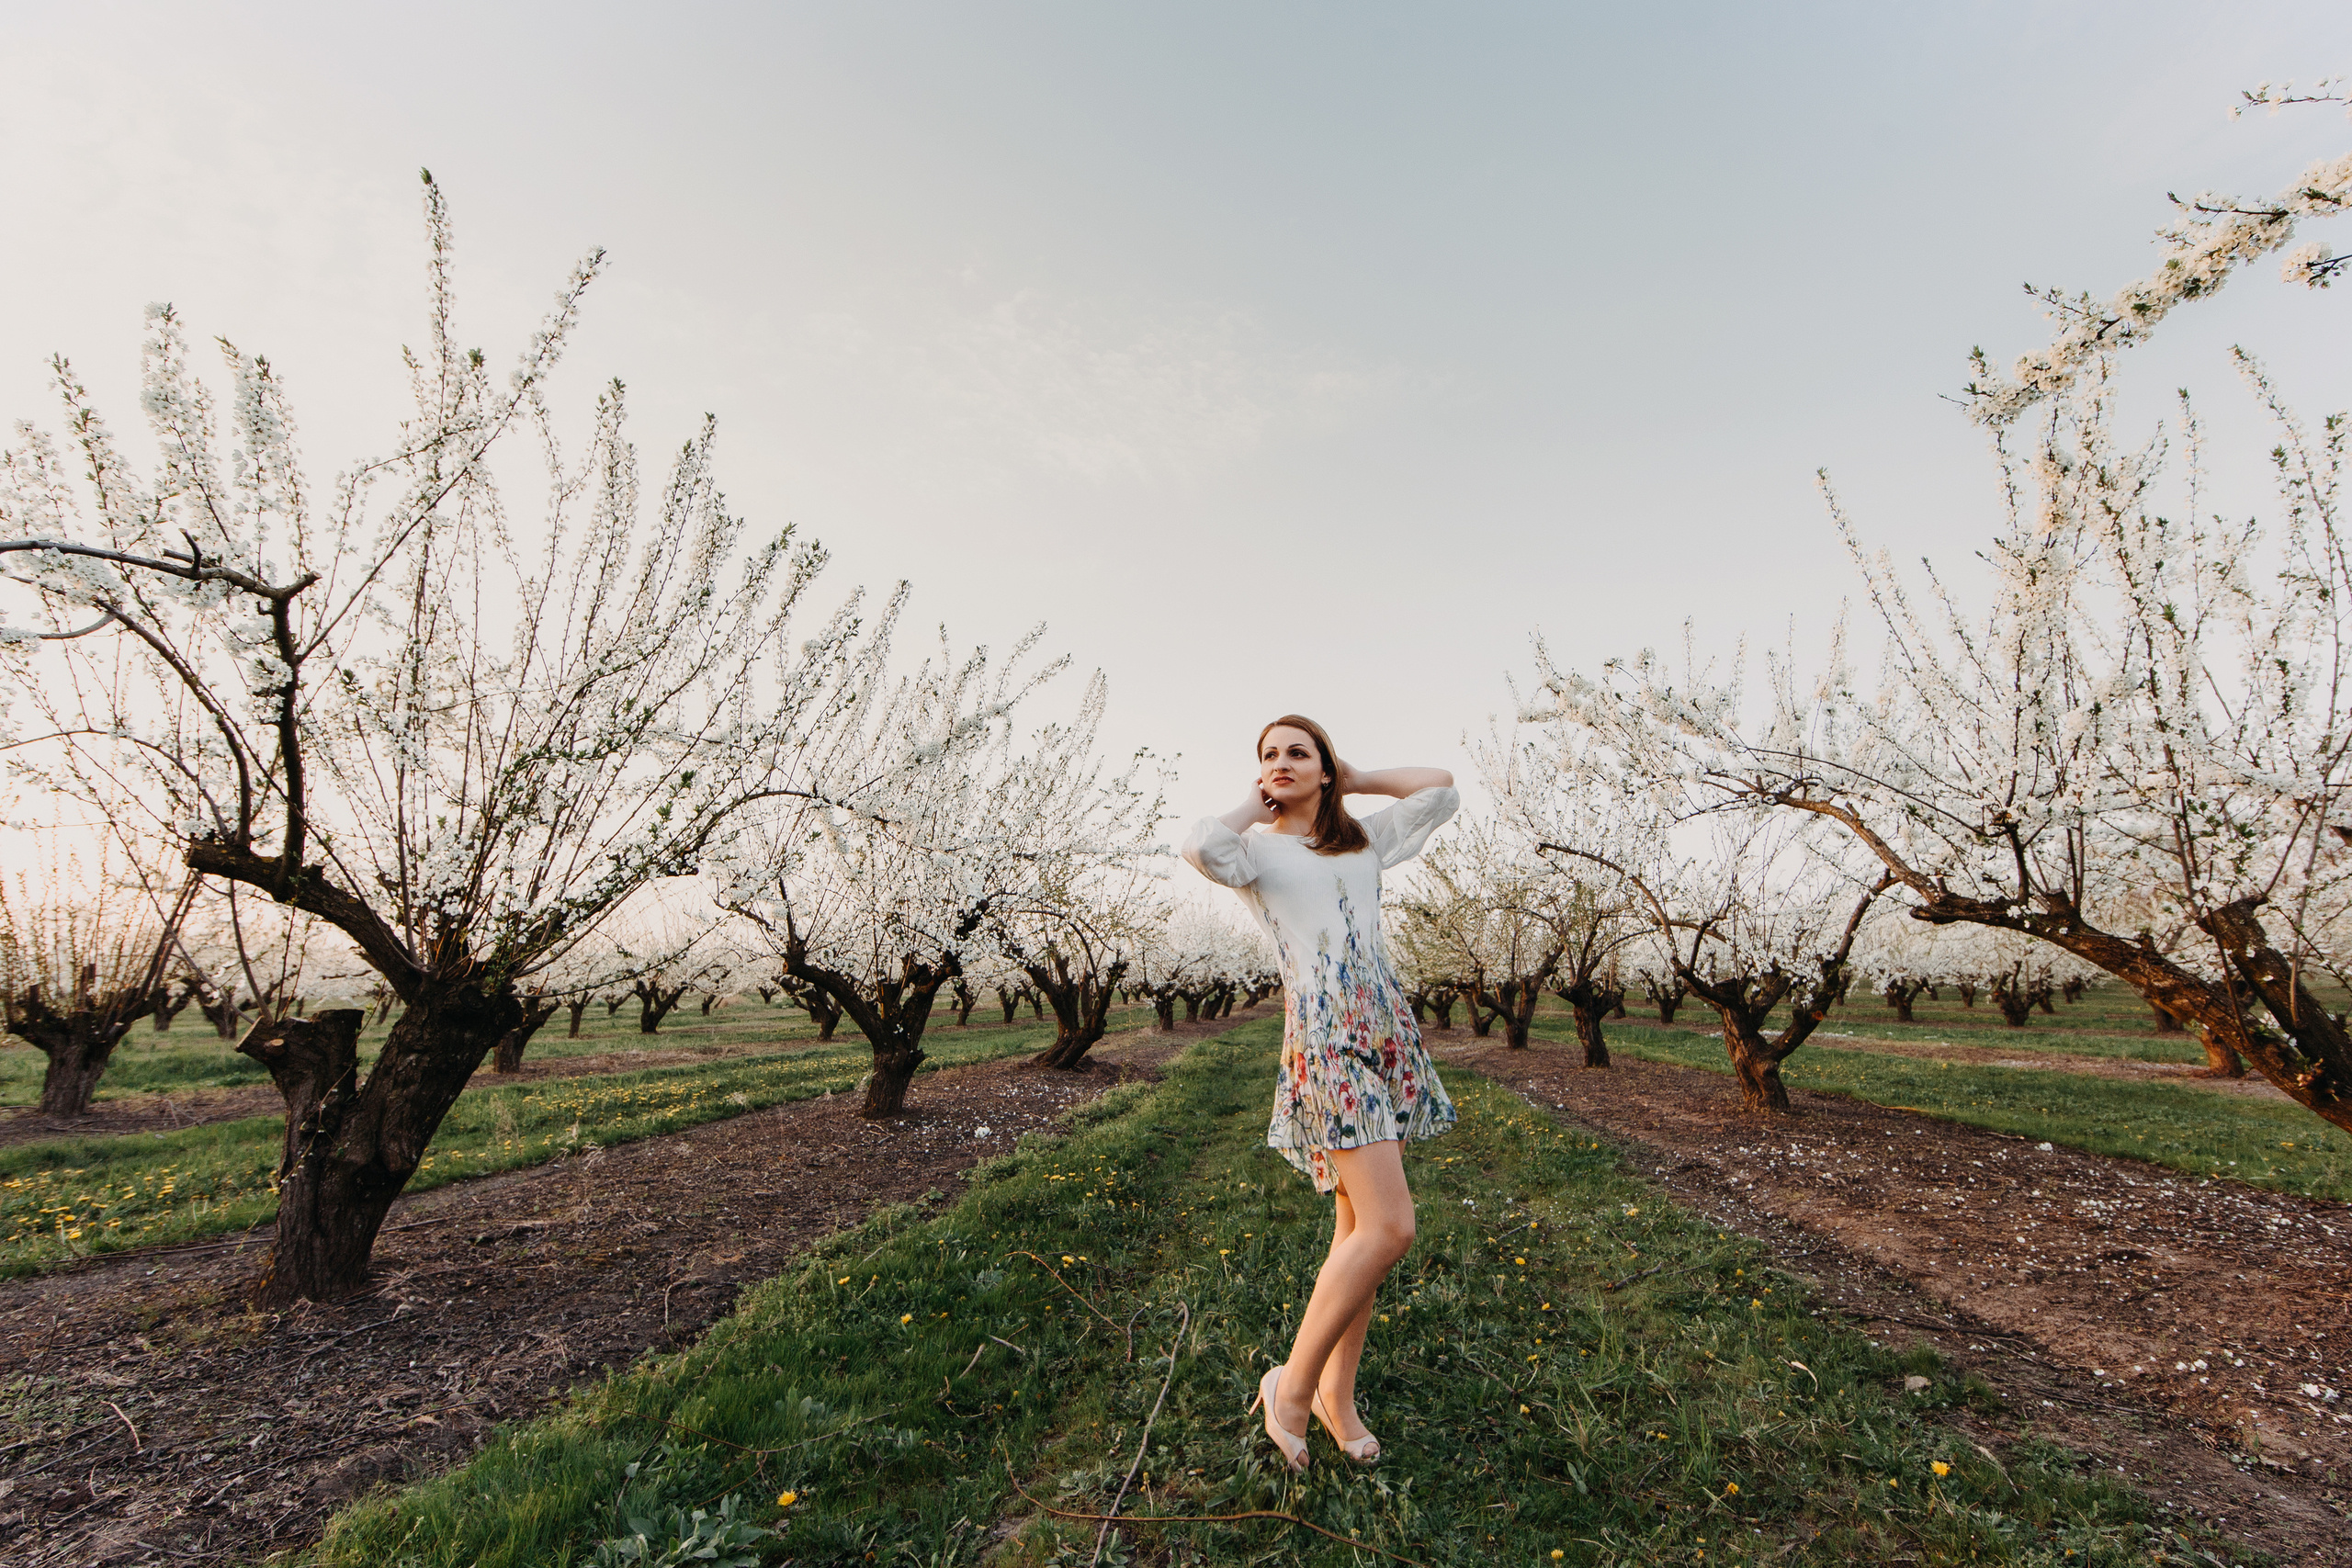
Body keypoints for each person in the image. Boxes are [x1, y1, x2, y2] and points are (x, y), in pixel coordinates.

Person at [1180, 714, 1459, 1472]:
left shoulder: (1360, 840)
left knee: (1358, 1233)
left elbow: (1439, 790)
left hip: (1384, 1030)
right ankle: (1291, 1387)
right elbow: (1201, 843)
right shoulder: (1255, 853)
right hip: (1327, 1040)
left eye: (1296, 752)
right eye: (1269, 754)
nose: (1279, 763)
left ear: (1326, 766)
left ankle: (1340, 1397)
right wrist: (1255, 798)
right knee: (1391, 1228)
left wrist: (1356, 777)